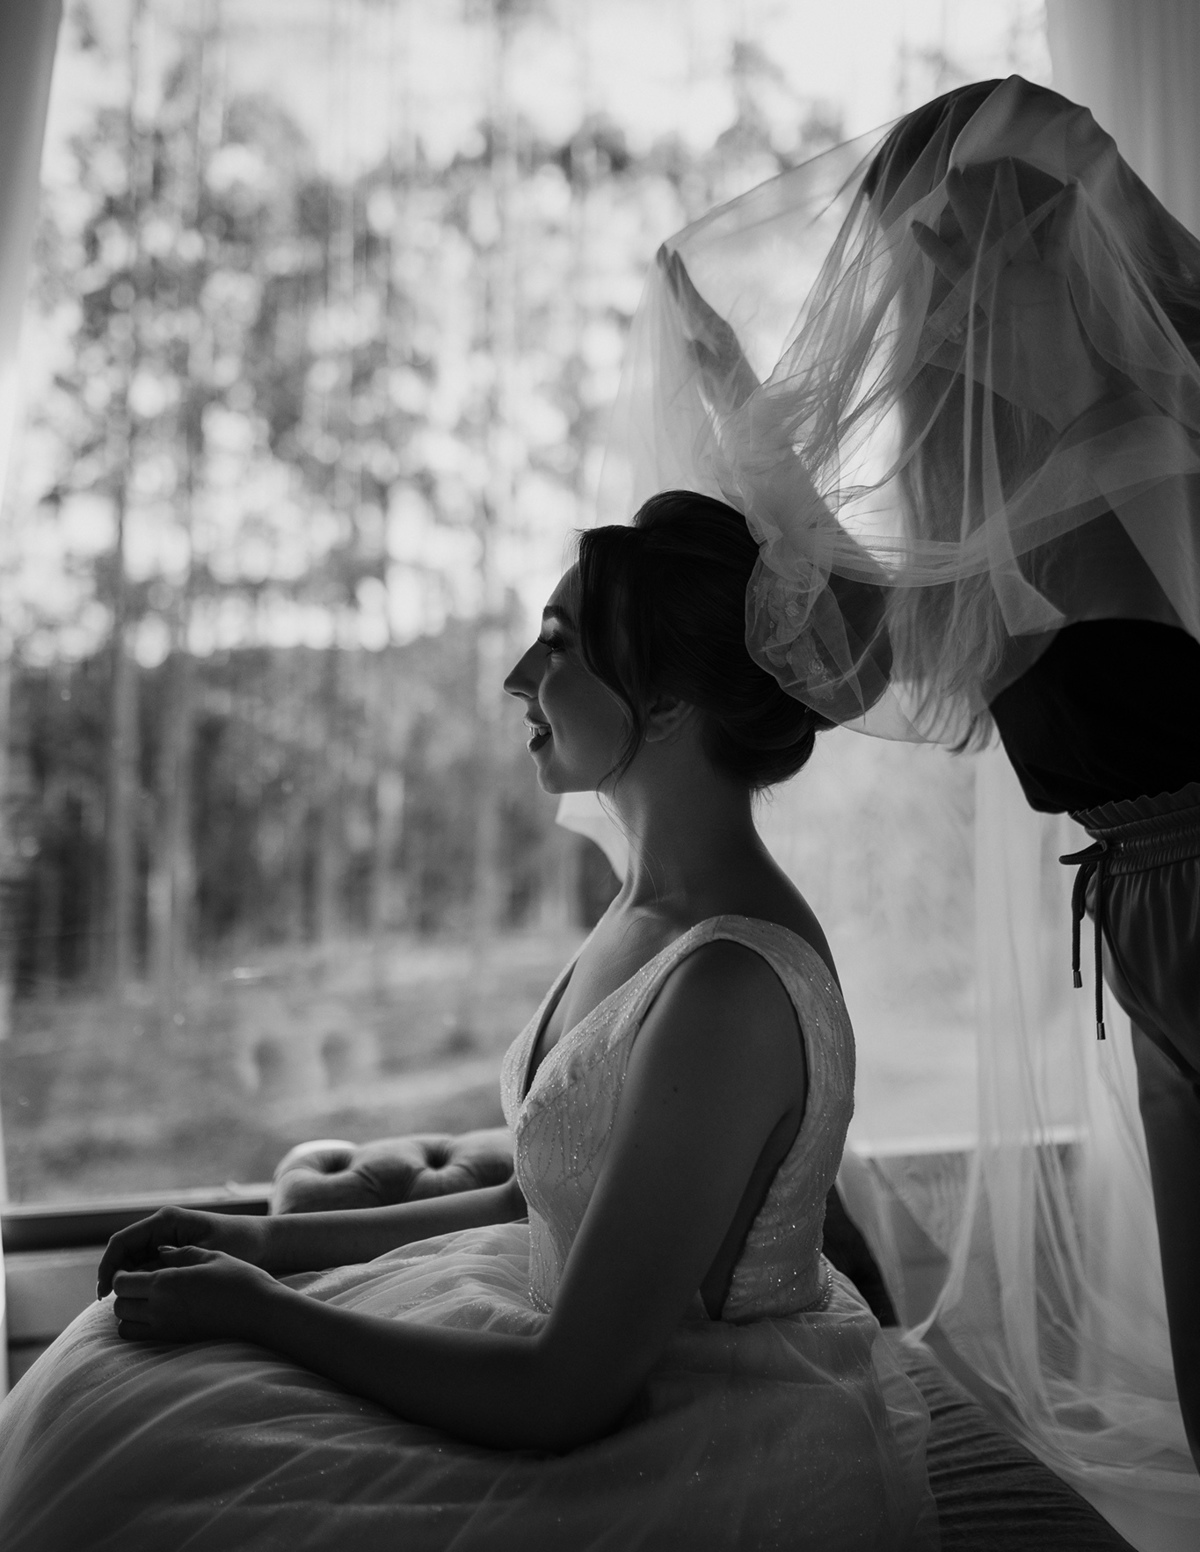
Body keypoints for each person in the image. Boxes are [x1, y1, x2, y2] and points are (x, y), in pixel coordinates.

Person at [0, 490, 936, 1551]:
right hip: (542, 1342)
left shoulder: (731, 989)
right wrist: (258, 1239)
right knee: (115, 1408)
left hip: (681, 1440)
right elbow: (533, 1201)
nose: (519, 677)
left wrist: (262, 1308)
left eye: (559, 644)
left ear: (669, 702)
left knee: (146, 1467)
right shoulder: (645, 912)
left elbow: (565, 1394)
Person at [637, 75, 1200, 1470]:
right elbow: (851, 670)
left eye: (957, 236)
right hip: (1146, 921)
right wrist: (745, 412)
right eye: (916, 252)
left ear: (1054, 228)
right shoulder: (996, 492)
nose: (930, 282)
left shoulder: (1158, 439)